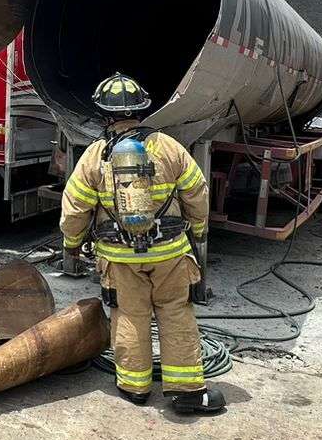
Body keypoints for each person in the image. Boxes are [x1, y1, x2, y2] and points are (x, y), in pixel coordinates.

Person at [59, 73, 225, 414]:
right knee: (176, 314)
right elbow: (197, 193)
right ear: (142, 111)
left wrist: (72, 245)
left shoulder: (94, 156)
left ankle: (135, 388)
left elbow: (75, 208)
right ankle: (187, 393)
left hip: (119, 259)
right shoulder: (168, 147)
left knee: (129, 317)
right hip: (171, 256)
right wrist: (198, 231)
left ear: (105, 116)